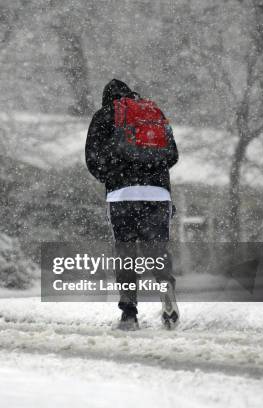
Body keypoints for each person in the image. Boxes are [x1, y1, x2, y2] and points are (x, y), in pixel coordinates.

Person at [85, 79, 179, 330]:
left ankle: (129, 313)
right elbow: (172, 155)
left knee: (126, 255)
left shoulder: (104, 115)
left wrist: (115, 176)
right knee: (156, 250)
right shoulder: (152, 112)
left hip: (122, 196)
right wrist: (151, 174)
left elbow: (92, 159)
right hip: (158, 195)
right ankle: (165, 287)